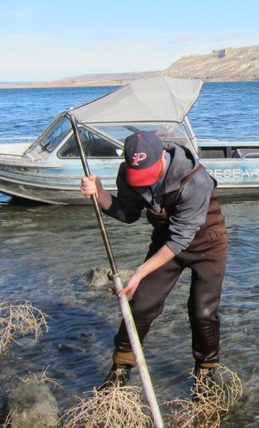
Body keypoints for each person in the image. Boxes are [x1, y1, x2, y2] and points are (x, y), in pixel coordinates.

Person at [80, 131, 228, 389]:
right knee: (141, 305)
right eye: (138, 178)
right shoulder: (129, 173)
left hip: (208, 245)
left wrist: (138, 273)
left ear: (162, 156)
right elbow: (128, 213)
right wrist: (100, 194)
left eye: (148, 175)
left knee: (202, 311)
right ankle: (121, 367)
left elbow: (180, 241)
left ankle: (205, 373)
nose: (142, 183)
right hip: (165, 240)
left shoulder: (196, 180)